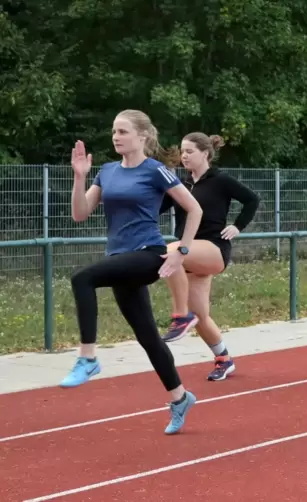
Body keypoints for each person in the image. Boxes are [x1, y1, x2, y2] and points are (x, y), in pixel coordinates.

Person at [62, 109, 203, 435]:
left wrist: (181, 252)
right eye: (114, 131)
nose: (116, 136)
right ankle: (180, 398)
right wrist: (80, 176)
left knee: (82, 277)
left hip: (148, 255)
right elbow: (80, 214)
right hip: (119, 258)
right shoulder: (107, 172)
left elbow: (194, 208)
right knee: (148, 336)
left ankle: (88, 359)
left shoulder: (156, 171)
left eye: (123, 131)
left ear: (142, 136)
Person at [159, 132, 260, 382]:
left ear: (205, 154)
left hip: (213, 249)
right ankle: (224, 359)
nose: (184, 156)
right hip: (190, 256)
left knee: (170, 252)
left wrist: (237, 226)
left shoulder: (221, 180)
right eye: (182, 151)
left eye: (190, 151)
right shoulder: (180, 184)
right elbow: (158, 208)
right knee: (201, 316)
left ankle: (180, 315)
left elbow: (252, 199)